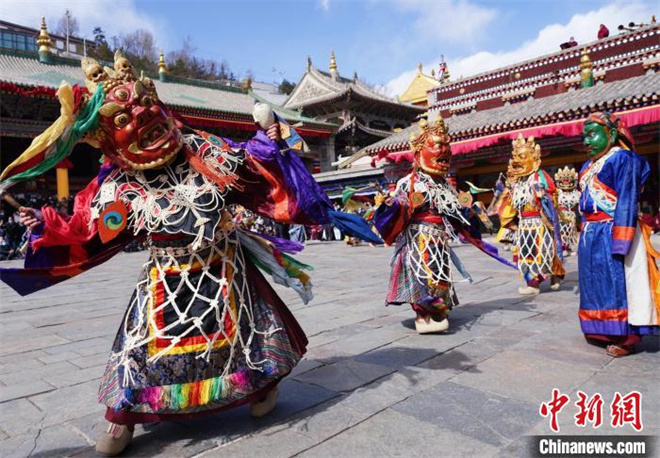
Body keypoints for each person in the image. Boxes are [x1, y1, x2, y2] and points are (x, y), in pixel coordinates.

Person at [0, 52, 380, 456]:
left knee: (250, 334)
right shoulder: (116, 185)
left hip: (225, 264)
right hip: (164, 274)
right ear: (107, 137)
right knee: (139, 347)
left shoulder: (202, 149)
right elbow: (88, 230)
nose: (143, 117)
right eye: (124, 119)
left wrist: (265, 143)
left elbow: (250, 171)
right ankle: (124, 414)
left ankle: (261, 388)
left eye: (147, 104)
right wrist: (45, 224)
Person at [373, 117, 514, 334]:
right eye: (437, 145)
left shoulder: (445, 186)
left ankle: (438, 309)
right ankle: (423, 312)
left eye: (446, 145)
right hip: (417, 238)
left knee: (439, 274)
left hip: (439, 238)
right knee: (421, 275)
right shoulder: (409, 183)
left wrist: (470, 210)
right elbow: (400, 206)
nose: (444, 150)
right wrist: (393, 205)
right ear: (420, 151)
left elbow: (456, 213)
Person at [578, 112, 659, 357]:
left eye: (593, 134)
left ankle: (626, 336)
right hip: (591, 233)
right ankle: (600, 329)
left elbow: (627, 199)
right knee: (595, 283)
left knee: (618, 283)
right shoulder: (587, 166)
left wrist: (622, 239)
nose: (587, 141)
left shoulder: (623, 159)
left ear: (611, 134)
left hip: (614, 229)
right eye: (584, 136)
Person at [504, 135, 565, 295]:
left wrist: (542, 196)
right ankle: (532, 283)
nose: (517, 161)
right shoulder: (519, 181)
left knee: (543, 252)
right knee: (525, 254)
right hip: (524, 224)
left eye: (522, 157)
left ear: (535, 160)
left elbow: (551, 197)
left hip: (540, 222)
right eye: (515, 157)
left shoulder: (540, 178)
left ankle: (548, 278)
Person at [554, 167, 580, 256]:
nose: (566, 182)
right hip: (561, 215)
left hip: (572, 215)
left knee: (570, 231)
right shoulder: (558, 192)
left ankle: (568, 247)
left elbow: (579, 204)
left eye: (568, 180)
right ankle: (562, 248)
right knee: (562, 231)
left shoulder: (576, 193)